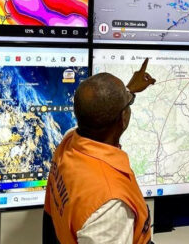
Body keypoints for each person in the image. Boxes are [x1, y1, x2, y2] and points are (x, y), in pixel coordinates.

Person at [43, 59, 156, 244]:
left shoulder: (69, 141)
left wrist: (128, 92)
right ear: (124, 118)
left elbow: (99, 108)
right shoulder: (110, 206)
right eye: (128, 105)